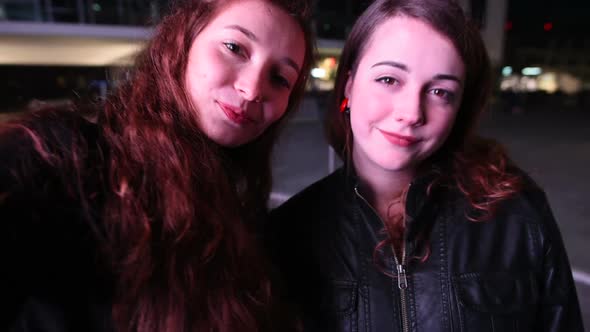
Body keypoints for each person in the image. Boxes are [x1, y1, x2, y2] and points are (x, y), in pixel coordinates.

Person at [267, 0, 584, 331]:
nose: (412, 113)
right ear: (348, 83)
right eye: (389, 79)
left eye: (439, 92)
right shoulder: (288, 234)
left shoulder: (517, 214)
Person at [0, 0, 314, 331]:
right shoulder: (61, 156)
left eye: (279, 78)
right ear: (181, 43)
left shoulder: (241, 212)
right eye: (234, 48)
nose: (252, 89)